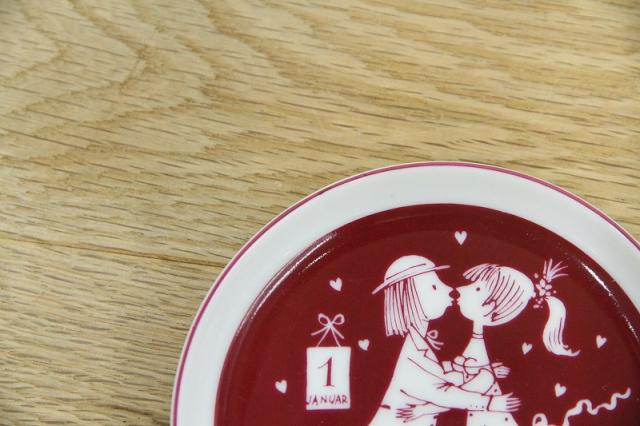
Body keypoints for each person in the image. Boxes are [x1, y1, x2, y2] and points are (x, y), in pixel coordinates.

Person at [369, 255, 521, 425]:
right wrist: (490, 402)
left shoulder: (417, 344)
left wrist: (483, 371)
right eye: (434, 286)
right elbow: (442, 394)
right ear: (411, 298)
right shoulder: (411, 354)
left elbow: (439, 376)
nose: (449, 289)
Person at [453, 260, 578, 426]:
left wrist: (487, 380)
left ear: (490, 306)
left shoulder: (485, 347)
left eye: (477, 289)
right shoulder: (478, 343)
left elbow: (469, 388)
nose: (460, 289)